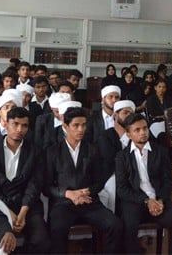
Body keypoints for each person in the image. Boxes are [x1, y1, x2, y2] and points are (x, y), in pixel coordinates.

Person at [43, 107, 123, 253]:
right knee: (57, 228)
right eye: (76, 125)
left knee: (115, 224)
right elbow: (46, 186)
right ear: (65, 126)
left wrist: (86, 192)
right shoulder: (52, 151)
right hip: (63, 204)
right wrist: (68, 194)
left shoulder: (93, 150)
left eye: (84, 125)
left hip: (89, 201)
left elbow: (99, 180)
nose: (81, 129)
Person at [115, 113, 172, 254]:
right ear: (129, 135)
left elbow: (167, 181)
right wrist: (146, 201)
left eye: (145, 128)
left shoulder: (160, 152)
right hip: (135, 201)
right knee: (128, 226)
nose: (143, 132)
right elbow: (122, 189)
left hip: (158, 199)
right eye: (137, 130)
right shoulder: (122, 157)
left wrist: (160, 200)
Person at [0, 107, 50, 253]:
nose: (19, 129)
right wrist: (9, 213)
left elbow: (35, 185)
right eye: (15, 124)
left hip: (27, 206)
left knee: (41, 241)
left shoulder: (36, 151)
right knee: (2, 243)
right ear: (5, 124)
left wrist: (22, 213)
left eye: (24, 125)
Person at [96, 100, 136, 213]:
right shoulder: (105, 136)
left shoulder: (137, 135)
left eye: (131, 114)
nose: (129, 116)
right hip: (111, 174)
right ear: (115, 115)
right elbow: (111, 161)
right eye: (125, 113)